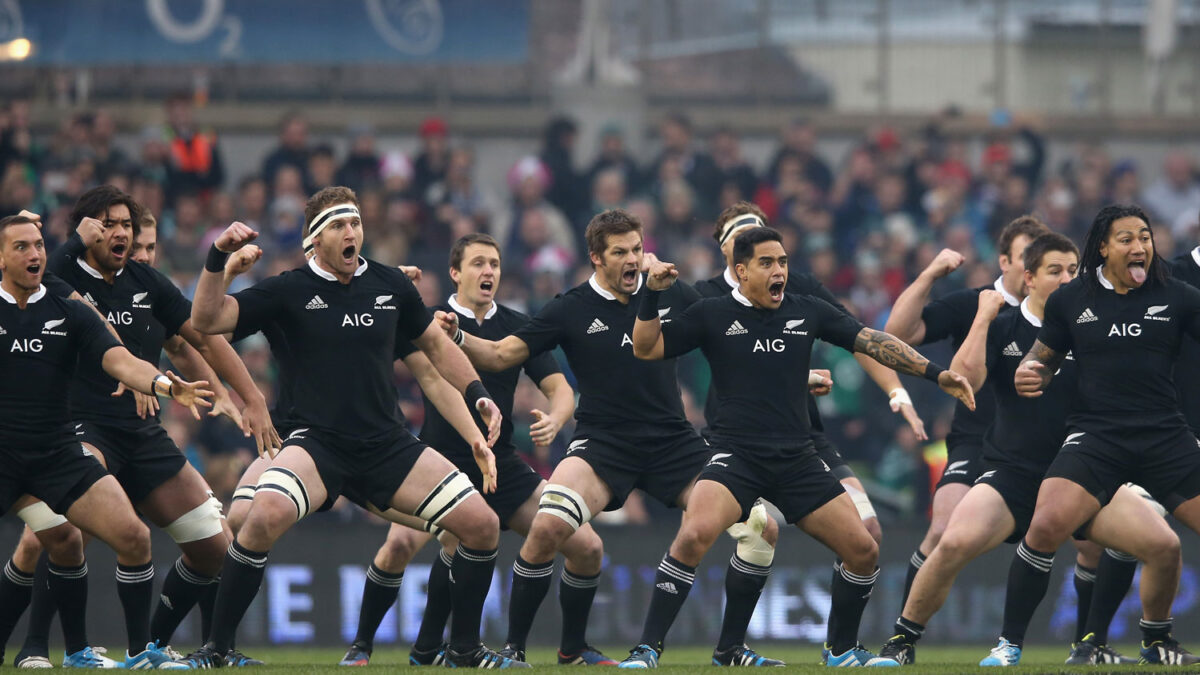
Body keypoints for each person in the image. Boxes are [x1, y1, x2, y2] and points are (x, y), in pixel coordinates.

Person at [186, 186, 526, 669]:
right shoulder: (288, 289)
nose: (353, 234)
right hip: (316, 442)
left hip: (387, 444)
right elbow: (205, 319)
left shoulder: (391, 284)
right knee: (258, 519)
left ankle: (464, 651)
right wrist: (217, 257)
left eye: (357, 224)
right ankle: (216, 650)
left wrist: (479, 397)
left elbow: (436, 347)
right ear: (316, 239)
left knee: (482, 525)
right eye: (340, 226)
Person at [440, 209, 781, 668]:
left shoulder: (669, 292)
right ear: (596, 258)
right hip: (603, 443)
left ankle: (731, 649)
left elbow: (734, 331)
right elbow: (502, 354)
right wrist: (458, 334)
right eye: (620, 252)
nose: (633, 260)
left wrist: (795, 377)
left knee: (763, 527)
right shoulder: (570, 307)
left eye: (637, 250)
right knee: (547, 527)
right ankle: (518, 649)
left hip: (674, 443)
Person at [622, 226, 974, 668]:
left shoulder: (808, 311)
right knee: (693, 535)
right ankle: (647, 649)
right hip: (736, 455)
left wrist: (935, 374)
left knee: (864, 549)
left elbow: (872, 341)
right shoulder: (711, 314)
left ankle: (840, 649)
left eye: (783, 262)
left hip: (797, 458)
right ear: (740, 270)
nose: (779, 272)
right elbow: (646, 348)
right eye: (767, 263)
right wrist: (651, 296)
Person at [877, 232, 1176, 667]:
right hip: (1012, 473)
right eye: (1055, 270)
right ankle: (901, 642)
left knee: (1164, 546)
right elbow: (966, 383)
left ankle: (1145, 642)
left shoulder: (1095, 329)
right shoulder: (1004, 326)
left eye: (1074, 270)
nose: (1067, 278)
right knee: (952, 543)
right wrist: (981, 317)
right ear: (1028, 278)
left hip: (1083, 473)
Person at [342, 233, 607, 667]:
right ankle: (364, 646)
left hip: (500, 466)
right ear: (455, 272)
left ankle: (571, 650)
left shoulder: (520, 325)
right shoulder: (425, 320)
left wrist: (556, 418)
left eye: (495, 265)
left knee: (588, 546)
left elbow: (560, 390)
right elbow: (370, 359)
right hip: (436, 463)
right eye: (479, 263)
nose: (489, 272)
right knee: (399, 547)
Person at [44, 187, 279, 664]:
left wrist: (250, 397)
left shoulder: (148, 282)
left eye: (127, 225)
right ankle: (57, 647)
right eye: (109, 224)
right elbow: (39, 277)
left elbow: (204, 339)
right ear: (87, 229)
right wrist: (70, 244)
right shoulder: (62, 275)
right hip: (80, 427)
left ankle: (159, 645)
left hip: (143, 432)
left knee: (218, 551)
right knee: (72, 535)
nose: (121, 233)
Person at [0, 213, 212, 669]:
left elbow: (119, 358)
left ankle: (138, 653)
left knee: (134, 537)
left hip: (56, 454)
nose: (35, 254)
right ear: (0, 258)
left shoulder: (69, 309)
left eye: (38, 244)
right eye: (21, 247)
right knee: (59, 541)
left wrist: (164, 385)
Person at [1001, 204, 1200, 666]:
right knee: (1046, 524)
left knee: (1165, 547)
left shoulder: (1181, 296)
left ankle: (1156, 643)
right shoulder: (1072, 299)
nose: (1140, 247)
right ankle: (1008, 644)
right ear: (1104, 247)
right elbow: (1040, 360)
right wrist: (1029, 374)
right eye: (1127, 238)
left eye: (1146, 237)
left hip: (1166, 436)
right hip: (1097, 436)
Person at [696, 202, 929, 544]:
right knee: (760, 535)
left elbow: (858, 338)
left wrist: (897, 392)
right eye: (744, 235)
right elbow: (653, 347)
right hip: (735, 443)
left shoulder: (800, 286)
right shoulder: (704, 297)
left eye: (762, 233)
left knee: (868, 530)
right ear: (726, 248)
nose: (756, 241)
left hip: (801, 437)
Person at [884, 216, 1046, 607]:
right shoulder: (971, 302)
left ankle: (1090, 644)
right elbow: (895, 334)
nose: (1031, 268)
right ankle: (902, 639)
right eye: (1025, 256)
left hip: (1043, 443)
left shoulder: (1062, 313)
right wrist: (930, 274)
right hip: (976, 440)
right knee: (941, 530)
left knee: (1088, 540)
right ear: (1004, 261)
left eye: (1039, 259)